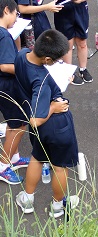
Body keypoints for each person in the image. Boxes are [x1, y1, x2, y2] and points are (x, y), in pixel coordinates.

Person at [14, 29, 79, 217]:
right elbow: (35, 120)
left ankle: (27, 200)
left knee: (37, 157)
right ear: (48, 60)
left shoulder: (22, 55)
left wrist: (60, 82)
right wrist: (54, 108)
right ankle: (58, 207)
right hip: (55, 125)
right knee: (59, 166)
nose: (60, 62)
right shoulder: (41, 81)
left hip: (40, 130)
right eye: (57, 60)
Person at [0, 0, 30, 185]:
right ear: (6, 10)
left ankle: (15, 157)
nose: (16, 19)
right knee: (18, 125)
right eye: (16, 14)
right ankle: (3, 166)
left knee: (16, 121)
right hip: (7, 85)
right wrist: (27, 68)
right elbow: (4, 65)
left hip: (4, 86)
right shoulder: (3, 35)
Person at [54, 0, 93, 86]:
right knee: (68, 44)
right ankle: (69, 73)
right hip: (63, 9)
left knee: (82, 42)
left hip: (81, 9)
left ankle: (83, 69)